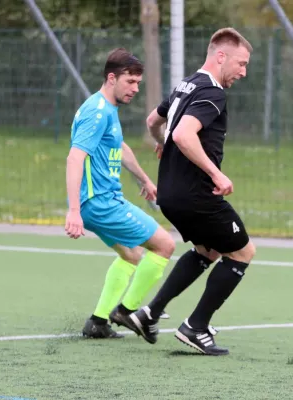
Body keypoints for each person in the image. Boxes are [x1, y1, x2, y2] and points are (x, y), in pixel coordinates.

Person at [129, 28, 256, 356]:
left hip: (170, 193)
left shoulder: (185, 85)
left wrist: (162, 144)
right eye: (241, 64)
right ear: (221, 56)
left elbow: (152, 121)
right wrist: (216, 173)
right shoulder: (213, 92)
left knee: (207, 250)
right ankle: (195, 327)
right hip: (196, 193)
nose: (244, 72)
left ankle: (150, 313)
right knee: (242, 252)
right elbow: (185, 134)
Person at [65, 48, 175, 339]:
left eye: (138, 83)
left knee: (131, 255)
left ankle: (98, 322)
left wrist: (145, 180)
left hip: (100, 202)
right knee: (164, 245)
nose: (135, 89)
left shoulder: (107, 109)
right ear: (111, 78)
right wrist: (74, 210)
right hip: (100, 203)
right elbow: (75, 158)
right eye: (130, 82)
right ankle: (127, 312)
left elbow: (120, 148)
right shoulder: (97, 111)